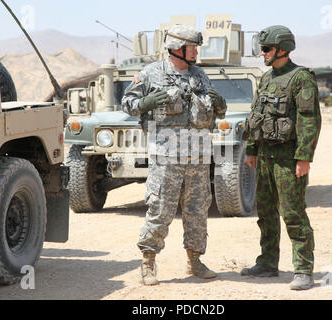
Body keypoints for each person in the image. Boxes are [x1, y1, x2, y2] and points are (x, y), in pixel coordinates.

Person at [122, 24, 227, 286]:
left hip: (199, 156)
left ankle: (195, 261)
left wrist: (219, 104)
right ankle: (148, 263)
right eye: (192, 48)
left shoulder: (200, 75)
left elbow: (214, 111)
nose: (196, 52)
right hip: (166, 157)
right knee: (160, 209)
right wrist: (145, 103)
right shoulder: (150, 73)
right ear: (177, 48)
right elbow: (128, 104)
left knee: (197, 210)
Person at [241, 25, 321, 290]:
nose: (262, 54)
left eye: (266, 49)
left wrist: (304, 158)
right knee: (265, 213)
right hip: (264, 157)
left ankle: (303, 270)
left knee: (293, 214)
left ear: (282, 49)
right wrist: (252, 149)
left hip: (288, 159)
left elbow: (309, 121)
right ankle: (267, 263)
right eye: (261, 49)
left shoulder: (301, 78)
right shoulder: (265, 79)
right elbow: (256, 117)